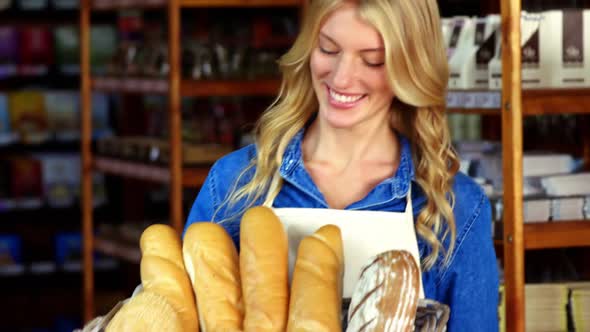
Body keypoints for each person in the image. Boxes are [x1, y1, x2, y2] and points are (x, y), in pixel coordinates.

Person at [184, 0, 499, 330]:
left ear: (410, 68)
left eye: (372, 60)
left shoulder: (454, 208)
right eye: (328, 49)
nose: (342, 77)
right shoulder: (234, 183)